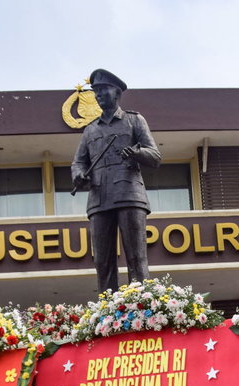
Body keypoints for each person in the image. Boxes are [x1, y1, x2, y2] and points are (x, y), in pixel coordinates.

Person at [71, 68, 161, 294]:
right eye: (96, 91)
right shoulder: (90, 130)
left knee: (136, 258)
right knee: (102, 261)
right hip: (99, 199)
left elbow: (155, 156)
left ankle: (141, 305)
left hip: (129, 194)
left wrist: (137, 153)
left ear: (117, 92)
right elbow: (78, 163)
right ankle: (108, 311)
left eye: (103, 90)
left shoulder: (134, 120)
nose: (99, 95)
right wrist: (79, 175)